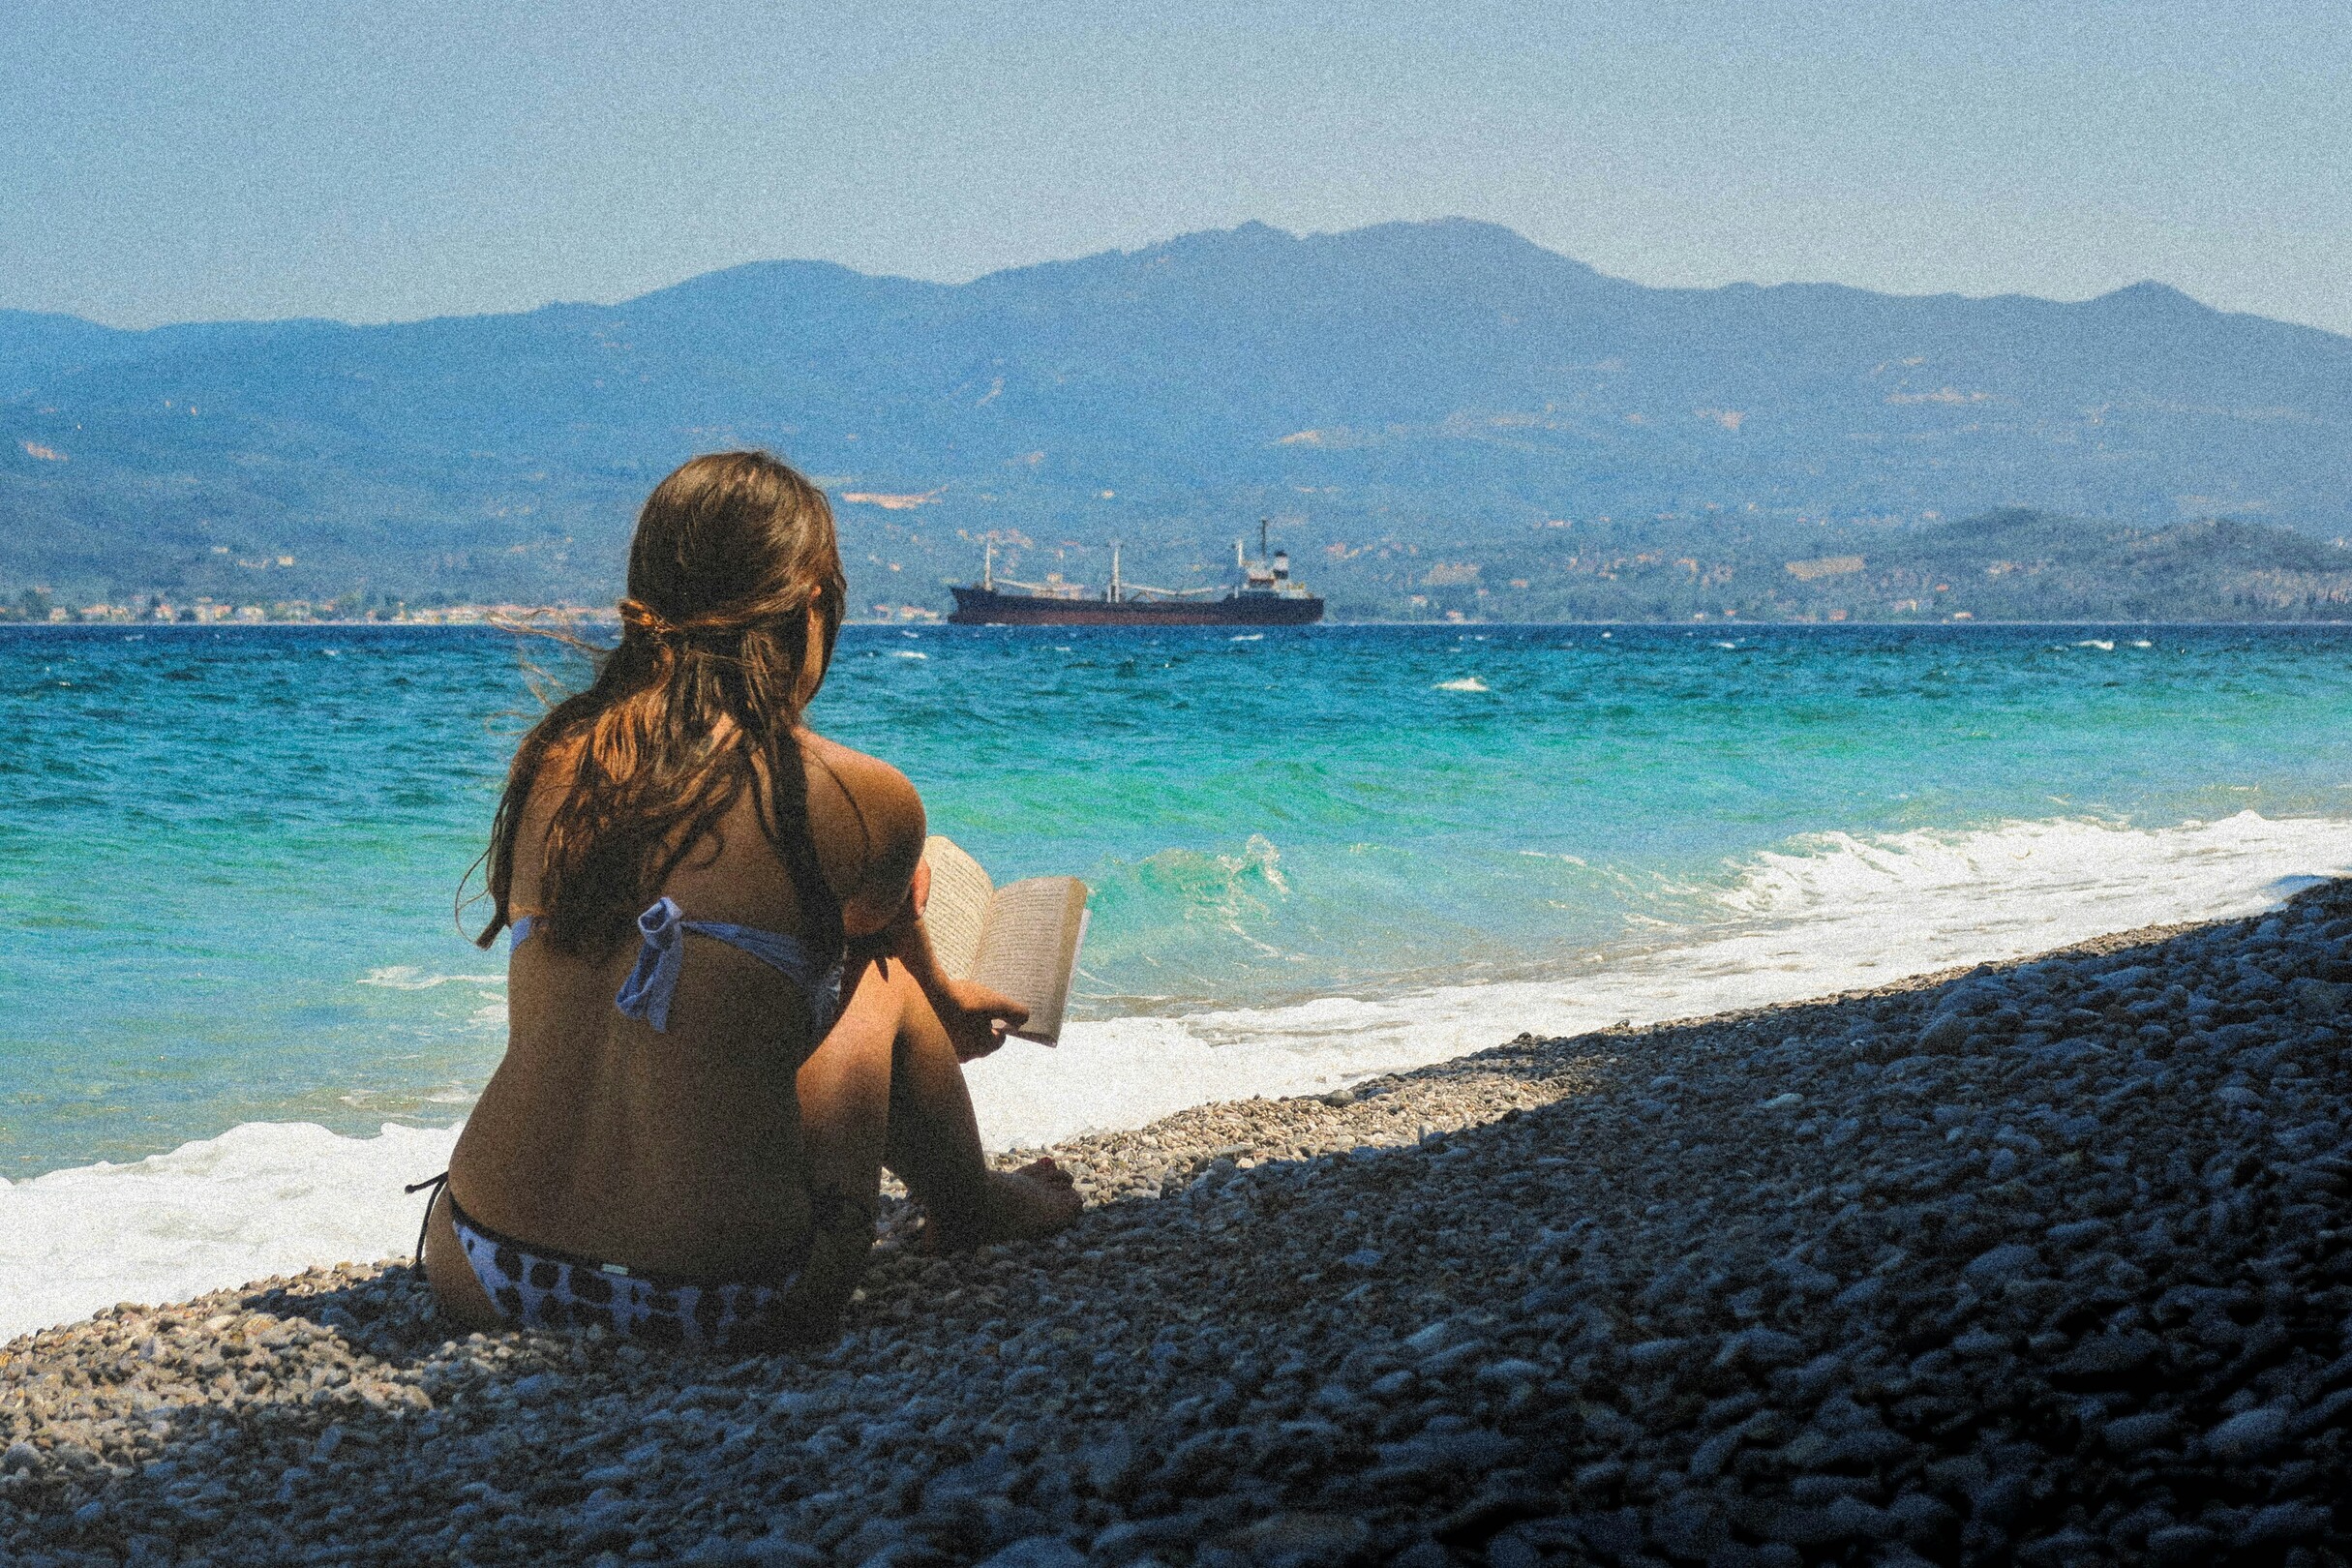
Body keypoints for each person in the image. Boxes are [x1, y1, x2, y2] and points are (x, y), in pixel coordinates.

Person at [413, 451, 1080, 1349]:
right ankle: (971, 1206)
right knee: (878, 971)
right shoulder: (851, 796)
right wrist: (948, 999)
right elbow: (870, 929)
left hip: (480, 1264)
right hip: (732, 1299)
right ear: (812, 607)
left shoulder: (557, 762)